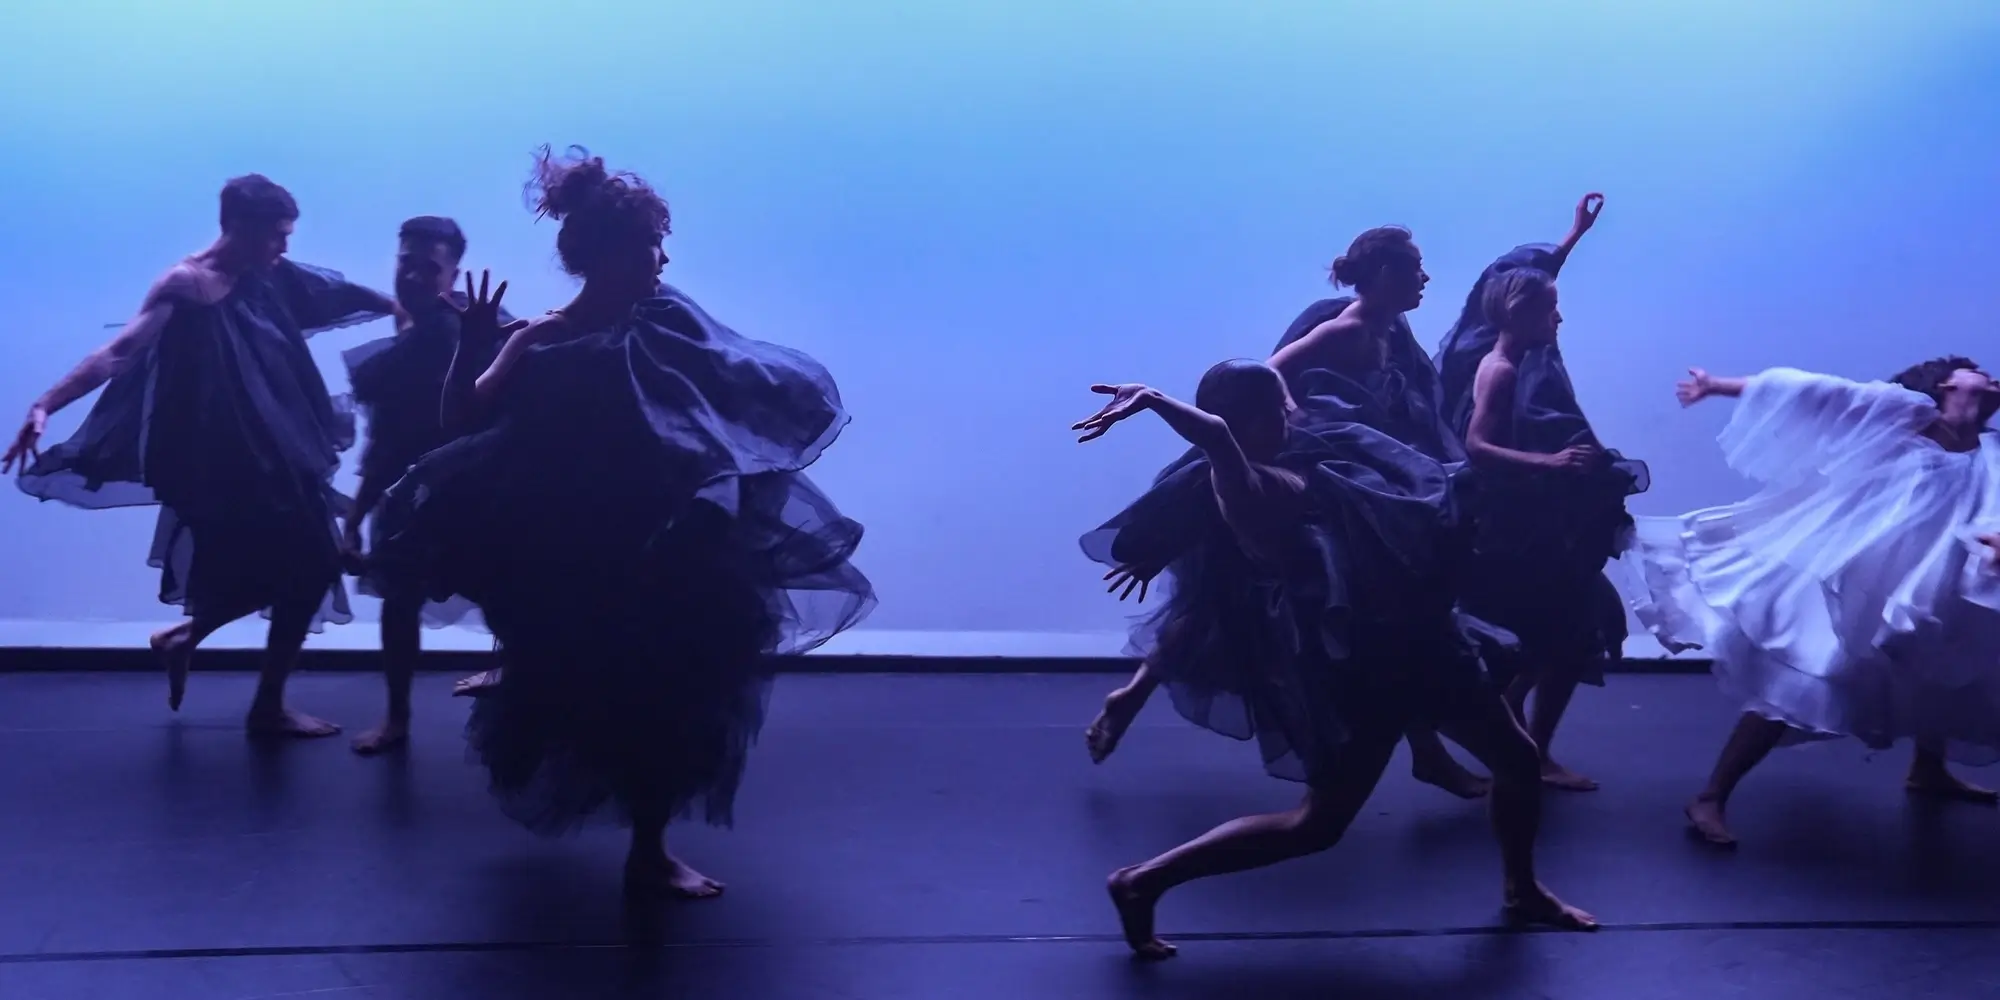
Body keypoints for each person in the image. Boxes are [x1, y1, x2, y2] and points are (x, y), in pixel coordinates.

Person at [368, 147, 873, 896]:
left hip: (675, 537)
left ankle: (649, 847)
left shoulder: (668, 320)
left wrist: (724, 484)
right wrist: (474, 345)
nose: (661, 258)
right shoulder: (538, 338)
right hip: (582, 547)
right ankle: (647, 848)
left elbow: (732, 393)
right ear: (605, 254)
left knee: (673, 689)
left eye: (659, 243)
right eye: (647, 245)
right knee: (608, 689)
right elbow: (461, 422)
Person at [1074, 362, 1595, 960]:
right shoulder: (1249, 492)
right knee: (1315, 827)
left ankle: (1521, 889)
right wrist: (1152, 399)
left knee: (1517, 760)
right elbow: (1217, 439)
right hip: (1367, 669)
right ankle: (1141, 881)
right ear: (1245, 422)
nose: (1292, 413)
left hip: (1427, 644)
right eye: (1277, 408)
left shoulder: (1308, 461)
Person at [1087, 226, 1502, 801]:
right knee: (1334, 606)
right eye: (1414, 269)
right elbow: (1271, 369)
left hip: (1351, 485)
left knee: (1238, 605)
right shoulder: (1347, 328)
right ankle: (1427, 755)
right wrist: (1290, 415)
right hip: (1318, 481)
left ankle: (1129, 697)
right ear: (1383, 275)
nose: (1425, 279)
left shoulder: (1391, 330)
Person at [3, 174, 397, 737]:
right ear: (237, 226)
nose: (284, 248)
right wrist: (46, 402)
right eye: (276, 235)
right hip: (220, 460)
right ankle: (257, 699)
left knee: (301, 567)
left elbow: (332, 292)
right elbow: (118, 351)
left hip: (274, 450)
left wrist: (397, 305)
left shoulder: (266, 274)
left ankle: (194, 647)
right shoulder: (185, 284)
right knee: (305, 564)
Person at [1624, 358, 2000, 846]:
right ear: (1948, 384)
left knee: (1942, 666)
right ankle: (1711, 795)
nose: (1991, 380)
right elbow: (1817, 392)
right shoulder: (1903, 414)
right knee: (1809, 673)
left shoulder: (1990, 452)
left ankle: (1927, 770)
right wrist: (1719, 385)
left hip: (1932, 581)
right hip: (1855, 577)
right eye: (1980, 374)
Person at [1454, 252, 1647, 791]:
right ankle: (1523, 752)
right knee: (1553, 637)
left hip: (1537, 528)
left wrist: (1576, 238)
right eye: (1549, 310)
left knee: (1566, 636)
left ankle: (1530, 750)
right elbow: (1477, 446)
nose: (1557, 320)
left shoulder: (1524, 360)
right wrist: (1552, 462)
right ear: (1517, 313)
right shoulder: (1500, 369)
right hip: (1515, 535)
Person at [339, 216, 513, 754]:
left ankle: (401, 718)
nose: (412, 276)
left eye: (427, 267)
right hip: (416, 491)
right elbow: (387, 439)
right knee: (406, 600)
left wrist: (356, 518)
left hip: (465, 488)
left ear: (452, 272)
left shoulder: (457, 328)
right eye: (405, 263)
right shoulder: (426, 330)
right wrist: (355, 517)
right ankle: (398, 717)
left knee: (501, 592)